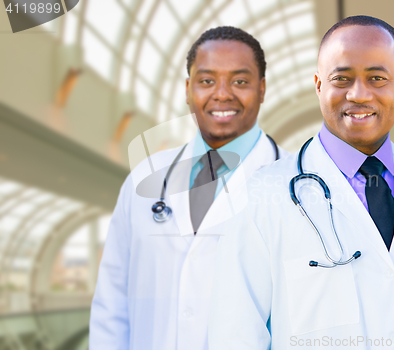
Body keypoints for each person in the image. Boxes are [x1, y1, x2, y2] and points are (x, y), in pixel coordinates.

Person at [209, 16, 394, 349]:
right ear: (319, 85)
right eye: (341, 78)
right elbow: (234, 335)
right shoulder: (263, 195)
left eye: (377, 78)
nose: (359, 94)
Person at [89, 26, 287, 350]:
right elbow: (111, 305)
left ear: (262, 89)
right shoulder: (145, 180)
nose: (222, 94)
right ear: (187, 89)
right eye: (207, 80)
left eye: (240, 81)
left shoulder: (296, 188)